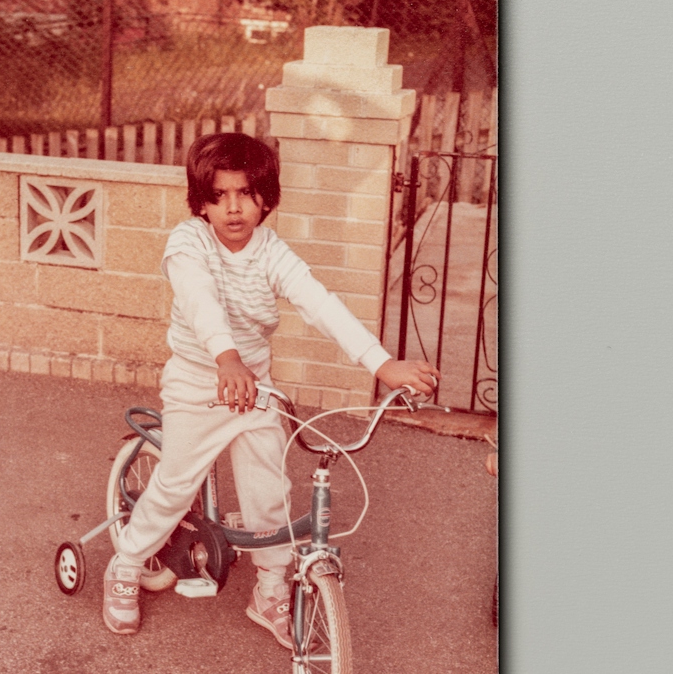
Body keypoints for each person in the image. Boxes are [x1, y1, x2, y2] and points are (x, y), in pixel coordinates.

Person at [104, 132, 439, 644]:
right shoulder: (188, 243)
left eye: (245, 194)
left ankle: (269, 590)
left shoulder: (273, 253)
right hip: (200, 379)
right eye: (219, 196)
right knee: (174, 483)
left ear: (266, 198)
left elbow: (320, 304)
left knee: (268, 491)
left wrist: (382, 363)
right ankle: (126, 563)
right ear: (202, 202)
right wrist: (226, 357)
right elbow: (199, 301)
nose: (233, 208)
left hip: (253, 384)